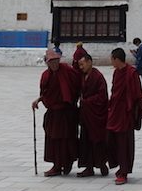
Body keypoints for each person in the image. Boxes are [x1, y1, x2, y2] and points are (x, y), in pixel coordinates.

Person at [32, 49, 80, 177]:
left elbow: (76, 86)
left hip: (66, 111)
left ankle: (67, 162)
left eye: (56, 61)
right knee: (53, 138)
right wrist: (39, 100)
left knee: (67, 138)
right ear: (47, 63)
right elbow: (45, 92)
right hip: (53, 112)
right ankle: (57, 165)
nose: (54, 64)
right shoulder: (46, 75)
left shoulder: (67, 71)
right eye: (51, 62)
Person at [107, 47, 142, 185]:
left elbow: (137, 94)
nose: (111, 62)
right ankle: (119, 166)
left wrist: (133, 112)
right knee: (111, 139)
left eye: (112, 59)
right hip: (115, 111)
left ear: (116, 59)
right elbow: (114, 91)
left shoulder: (131, 73)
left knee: (124, 143)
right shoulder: (116, 73)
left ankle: (124, 171)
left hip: (125, 114)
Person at [76, 52, 109, 177]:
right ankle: (88, 167)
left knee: (98, 141)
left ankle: (102, 164)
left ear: (90, 62)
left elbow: (102, 97)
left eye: (82, 64)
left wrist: (87, 102)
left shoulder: (98, 77)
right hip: (86, 115)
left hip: (96, 116)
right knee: (85, 141)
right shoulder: (83, 76)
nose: (81, 67)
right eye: (79, 65)